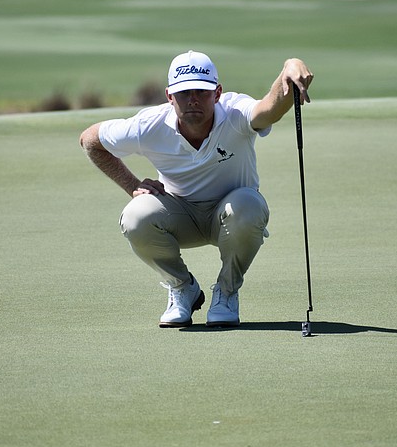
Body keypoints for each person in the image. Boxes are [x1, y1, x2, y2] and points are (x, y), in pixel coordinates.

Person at [80, 51, 313, 328]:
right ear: (169, 96)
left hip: (230, 217)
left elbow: (269, 110)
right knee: (135, 216)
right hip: (179, 217)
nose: (192, 99)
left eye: (201, 92)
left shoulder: (236, 112)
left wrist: (289, 68)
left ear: (217, 93)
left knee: (249, 205)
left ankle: (226, 292)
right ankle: (182, 287)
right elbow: (90, 140)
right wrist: (132, 185)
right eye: (183, 92)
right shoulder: (149, 125)